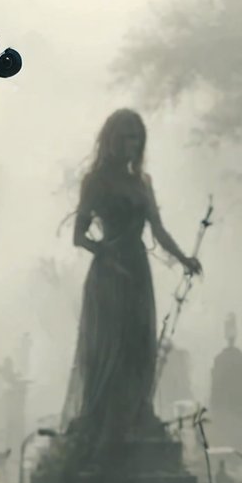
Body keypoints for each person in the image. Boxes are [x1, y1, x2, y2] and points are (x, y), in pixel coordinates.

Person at [57, 108, 202, 460]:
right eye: (124, 136)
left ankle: (136, 413)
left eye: (135, 137)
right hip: (109, 276)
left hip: (137, 272)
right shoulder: (95, 182)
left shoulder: (142, 183)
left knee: (138, 346)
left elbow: (159, 230)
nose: (129, 144)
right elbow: (79, 236)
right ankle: (105, 421)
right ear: (110, 140)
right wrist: (105, 255)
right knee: (110, 350)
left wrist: (185, 259)